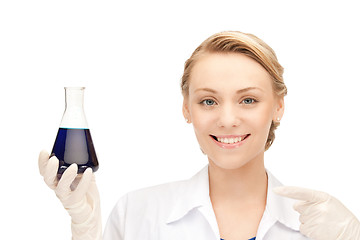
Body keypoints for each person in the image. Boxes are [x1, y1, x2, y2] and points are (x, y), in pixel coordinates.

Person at [38, 31, 360, 240]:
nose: (228, 119)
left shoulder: (324, 226)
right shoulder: (137, 214)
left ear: (278, 107)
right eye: (209, 101)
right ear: (187, 109)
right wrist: (85, 229)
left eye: (248, 100)